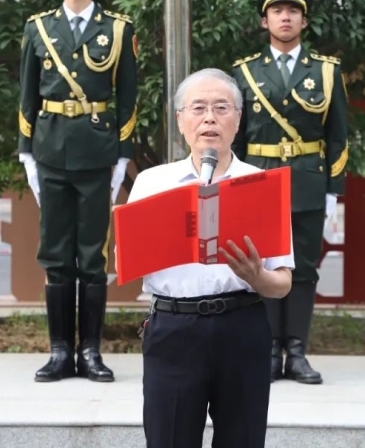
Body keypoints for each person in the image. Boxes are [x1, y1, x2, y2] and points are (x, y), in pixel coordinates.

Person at [123, 68, 295, 448]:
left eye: (221, 107)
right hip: (173, 329)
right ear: (180, 120)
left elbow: (282, 282)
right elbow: (126, 263)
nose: (209, 118)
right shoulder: (152, 183)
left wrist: (256, 276)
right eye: (198, 108)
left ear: (238, 118)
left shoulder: (262, 184)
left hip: (242, 327)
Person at [17, 0, 139, 384]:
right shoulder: (38, 29)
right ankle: (59, 351)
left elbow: (128, 99)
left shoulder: (118, 30)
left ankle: (90, 351)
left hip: (96, 153)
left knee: (92, 255)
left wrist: (122, 157)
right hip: (49, 151)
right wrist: (26, 154)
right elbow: (27, 96)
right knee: (55, 253)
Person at [231, 0, 349, 385]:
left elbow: (338, 137)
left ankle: (296, 351)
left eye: (293, 11)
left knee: (303, 269)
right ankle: (266, 351)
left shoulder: (327, 72)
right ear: (264, 20)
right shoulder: (244, 73)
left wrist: (333, 190)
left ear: (304, 20)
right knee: (261, 265)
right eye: (277, 10)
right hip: (258, 181)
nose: (285, 17)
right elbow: (237, 139)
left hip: (307, 182)